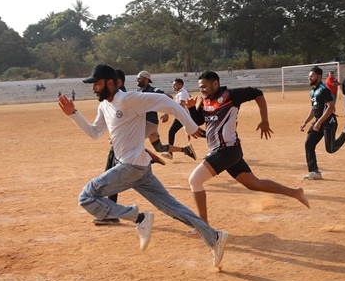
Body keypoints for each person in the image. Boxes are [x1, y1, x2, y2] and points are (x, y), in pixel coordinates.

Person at [58, 64, 228, 267]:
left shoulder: (129, 99)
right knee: (172, 208)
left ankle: (138, 218)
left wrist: (190, 126)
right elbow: (95, 133)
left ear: (110, 83)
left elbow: (167, 102)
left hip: (131, 167)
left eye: (97, 84)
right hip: (140, 169)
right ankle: (215, 238)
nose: (94, 88)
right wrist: (73, 114)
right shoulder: (104, 105)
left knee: (87, 196)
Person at [185, 71, 309, 224]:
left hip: (227, 150)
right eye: (200, 87)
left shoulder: (230, 95)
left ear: (215, 84)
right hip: (228, 151)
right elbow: (198, 120)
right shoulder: (205, 101)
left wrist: (264, 120)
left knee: (195, 180)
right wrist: (191, 108)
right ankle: (296, 193)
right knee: (254, 184)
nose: (201, 90)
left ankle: (202, 225)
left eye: (204, 86)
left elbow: (257, 93)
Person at [92, 68, 166, 226]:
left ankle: (111, 214)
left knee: (111, 174)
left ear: (116, 82)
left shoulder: (126, 98)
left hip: (138, 134)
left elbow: (165, 97)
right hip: (123, 144)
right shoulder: (116, 98)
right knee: (111, 172)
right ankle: (146, 155)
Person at [300, 66, 345, 180]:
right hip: (318, 121)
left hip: (329, 122)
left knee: (331, 149)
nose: (309, 78)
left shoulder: (324, 89)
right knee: (309, 144)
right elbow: (314, 109)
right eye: (309, 76)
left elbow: (331, 107)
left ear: (319, 77)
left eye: (312, 76)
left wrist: (319, 122)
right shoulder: (312, 92)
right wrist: (305, 122)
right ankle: (314, 172)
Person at [136, 71, 196, 161]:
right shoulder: (138, 91)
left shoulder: (153, 90)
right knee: (159, 148)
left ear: (146, 80)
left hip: (149, 122)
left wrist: (166, 113)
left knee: (134, 141)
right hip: (145, 122)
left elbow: (168, 97)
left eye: (139, 79)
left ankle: (148, 159)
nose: (137, 80)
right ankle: (186, 150)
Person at [161, 78, 191, 159]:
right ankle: (170, 152)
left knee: (172, 132)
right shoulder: (182, 92)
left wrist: (167, 112)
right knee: (195, 131)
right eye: (173, 85)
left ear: (180, 85)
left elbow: (181, 104)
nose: (173, 86)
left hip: (183, 116)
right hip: (182, 116)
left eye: (175, 85)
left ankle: (170, 153)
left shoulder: (181, 93)